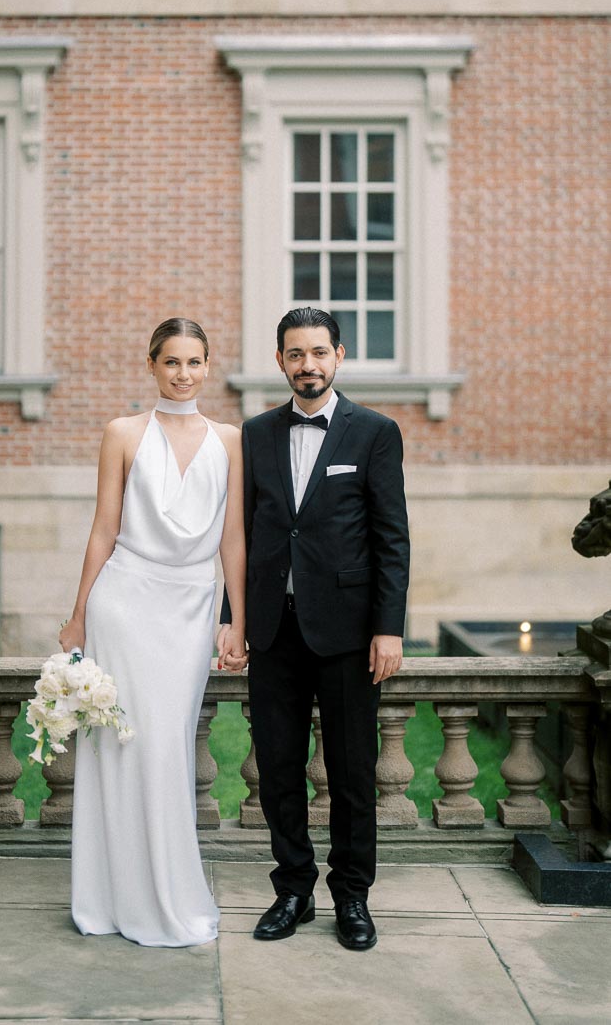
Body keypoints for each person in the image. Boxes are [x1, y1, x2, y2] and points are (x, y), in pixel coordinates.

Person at [218, 307, 409, 952]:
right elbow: (239, 535)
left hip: (351, 635)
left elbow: (392, 538)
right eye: (296, 354)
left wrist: (389, 628)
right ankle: (293, 888)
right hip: (275, 630)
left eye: (319, 353)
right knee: (277, 766)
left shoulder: (375, 433)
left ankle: (352, 896)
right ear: (280, 362)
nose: (309, 365)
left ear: (339, 355)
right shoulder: (256, 434)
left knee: (353, 772)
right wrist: (233, 620)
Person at [60, 317, 247, 947]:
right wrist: (79, 612)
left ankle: (167, 891)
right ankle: (110, 898)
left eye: (195, 362)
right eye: (172, 362)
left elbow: (234, 539)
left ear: (207, 365)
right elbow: (102, 530)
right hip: (124, 604)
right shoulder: (121, 433)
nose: (184, 374)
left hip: (191, 609)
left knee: (165, 747)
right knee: (118, 746)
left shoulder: (231, 440)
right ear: (152, 364)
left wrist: (235, 620)